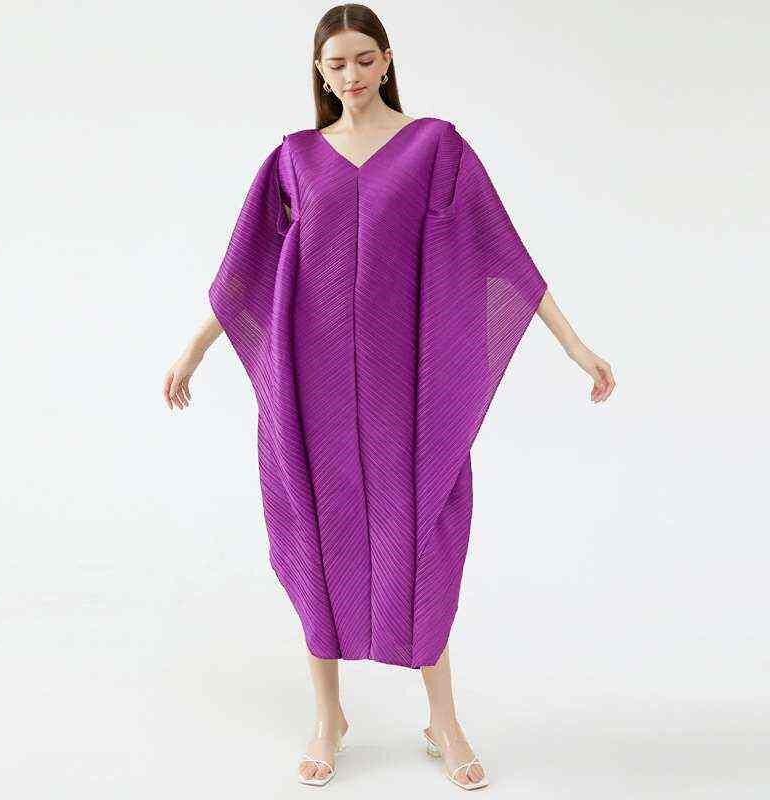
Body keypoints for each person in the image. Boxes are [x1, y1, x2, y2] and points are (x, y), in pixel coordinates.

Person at [163, 3, 615, 791]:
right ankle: (327, 716)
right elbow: (246, 267)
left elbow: (502, 251)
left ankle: (443, 720)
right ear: (319, 70)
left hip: (406, 383)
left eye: (364, 59)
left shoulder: (434, 146)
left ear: (388, 59)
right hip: (310, 381)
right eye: (336, 63)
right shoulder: (295, 156)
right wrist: (195, 347)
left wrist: (574, 344)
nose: (352, 75)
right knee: (317, 532)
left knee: (421, 539)